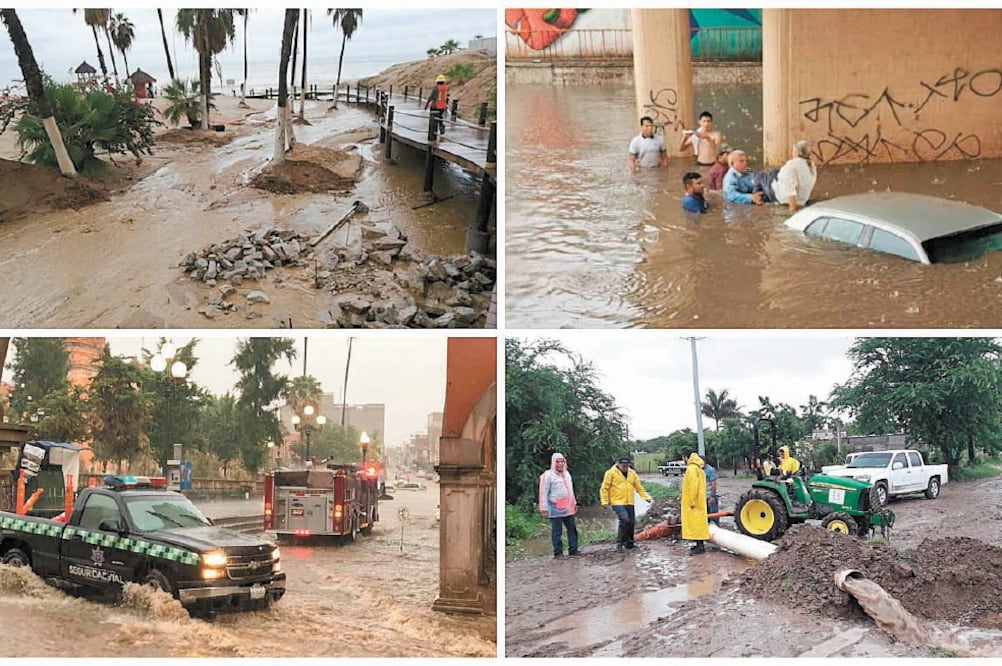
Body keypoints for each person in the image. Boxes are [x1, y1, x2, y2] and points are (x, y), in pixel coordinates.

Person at [600, 455, 651, 551]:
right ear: (618, 464)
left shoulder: (632, 473)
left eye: (627, 466)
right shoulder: (610, 473)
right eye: (623, 466)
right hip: (617, 501)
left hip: (629, 501)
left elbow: (638, 487)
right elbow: (604, 488)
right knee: (624, 519)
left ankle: (630, 543)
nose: (625, 468)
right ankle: (620, 542)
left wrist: (645, 497)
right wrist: (604, 501)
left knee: (631, 522)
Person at [538, 452, 580, 558]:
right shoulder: (547, 475)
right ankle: (558, 552)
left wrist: (574, 503)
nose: (560, 464)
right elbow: (543, 492)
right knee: (557, 531)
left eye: (562, 461)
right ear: (553, 463)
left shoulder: (567, 474)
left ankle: (573, 550)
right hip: (554, 507)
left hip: (568, 506)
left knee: (572, 528)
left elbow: (571, 490)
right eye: (558, 462)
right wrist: (543, 509)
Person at [771, 140, 818, 211]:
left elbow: (791, 191)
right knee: (774, 172)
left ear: (796, 152)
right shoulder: (812, 165)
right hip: (803, 200)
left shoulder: (792, 165)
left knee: (763, 176)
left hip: (781, 198)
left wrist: (792, 210)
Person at [681, 451, 710, 555]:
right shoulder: (698, 468)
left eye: (683, 458)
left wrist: (692, 501)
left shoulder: (691, 469)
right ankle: (698, 544)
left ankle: (700, 546)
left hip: (694, 503)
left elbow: (693, 486)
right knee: (698, 524)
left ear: (686, 457)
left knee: (696, 524)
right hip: (699, 502)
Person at [425, 74, 449, 138]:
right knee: (440, 117)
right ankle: (441, 126)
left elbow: (431, 97)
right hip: (442, 106)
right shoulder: (446, 88)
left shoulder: (436, 88)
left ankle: (432, 133)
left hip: (435, 106)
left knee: (433, 119)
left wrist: (426, 105)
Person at [704, 458, 719, 525]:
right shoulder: (699, 470)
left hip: (710, 496)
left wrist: (712, 496)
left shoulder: (710, 470)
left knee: (714, 515)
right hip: (703, 497)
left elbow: (713, 484)